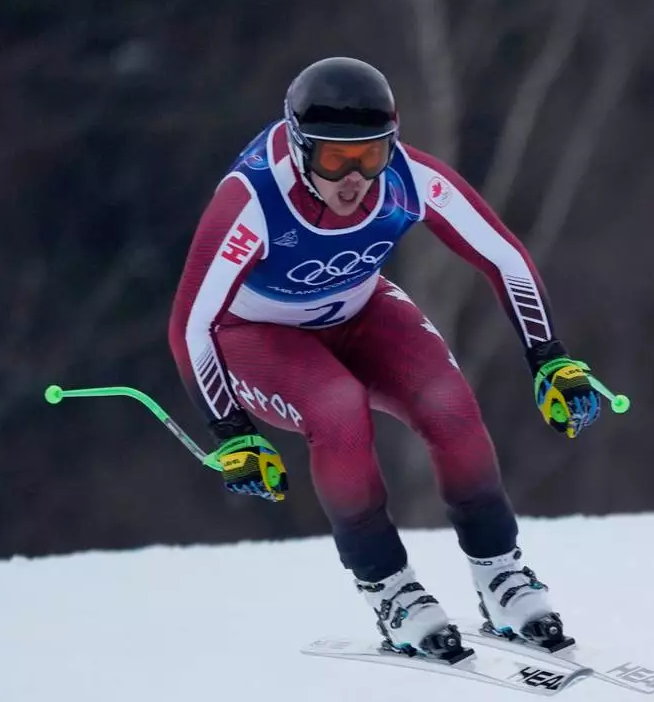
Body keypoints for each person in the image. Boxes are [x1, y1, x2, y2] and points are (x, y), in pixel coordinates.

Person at [168, 56, 605, 662]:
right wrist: (231, 430)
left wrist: (549, 359)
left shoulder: (407, 178)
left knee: (449, 404)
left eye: (370, 156)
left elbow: (504, 256)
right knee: (338, 408)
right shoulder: (254, 198)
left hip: (359, 310)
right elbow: (192, 324)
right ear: (299, 147)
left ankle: (501, 575)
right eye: (334, 160)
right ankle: (390, 589)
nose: (354, 179)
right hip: (257, 335)